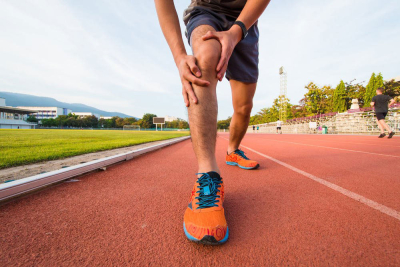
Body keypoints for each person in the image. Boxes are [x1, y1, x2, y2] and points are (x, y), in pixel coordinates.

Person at [154, 0, 270, 245]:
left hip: (245, 19)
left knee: (244, 106)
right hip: (206, 10)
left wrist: (237, 31)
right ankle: (207, 175)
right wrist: (179, 58)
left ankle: (233, 150)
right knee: (203, 62)